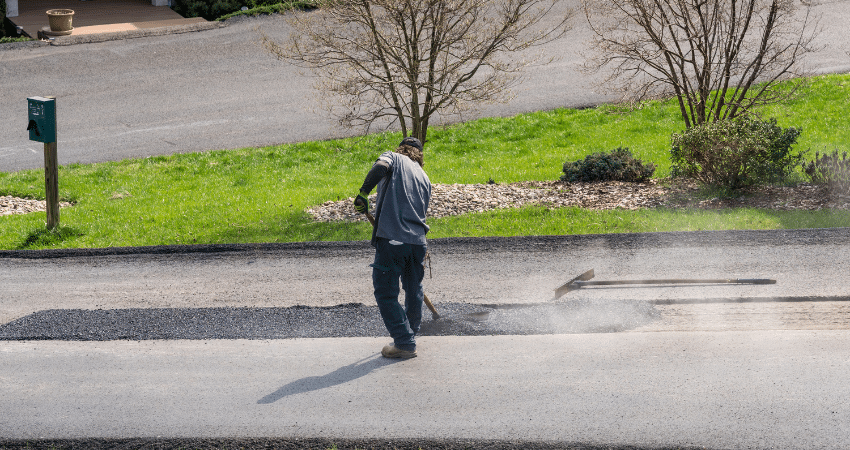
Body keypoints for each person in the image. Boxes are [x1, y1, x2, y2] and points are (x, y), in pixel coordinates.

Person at [354, 137, 431, 359]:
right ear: (419, 155)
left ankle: (404, 342)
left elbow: (380, 167)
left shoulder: (393, 158)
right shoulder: (424, 177)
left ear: (401, 149)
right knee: (413, 288)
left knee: (385, 292)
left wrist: (363, 193)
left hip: (393, 239)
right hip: (418, 242)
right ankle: (410, 333)